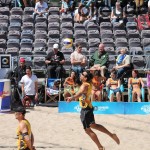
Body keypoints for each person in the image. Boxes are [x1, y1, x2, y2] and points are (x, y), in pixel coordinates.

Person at [66, 70, 120, 150]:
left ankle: (100, 147)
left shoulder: (85, 85)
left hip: (85, 109)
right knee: (93, 125)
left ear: (85, 78)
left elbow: (80, 93)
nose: (80, 75)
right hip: (88, 107)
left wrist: (72, 97)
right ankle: (111, 135)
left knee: (87, 130)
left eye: (82, 74)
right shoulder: (87, 83)